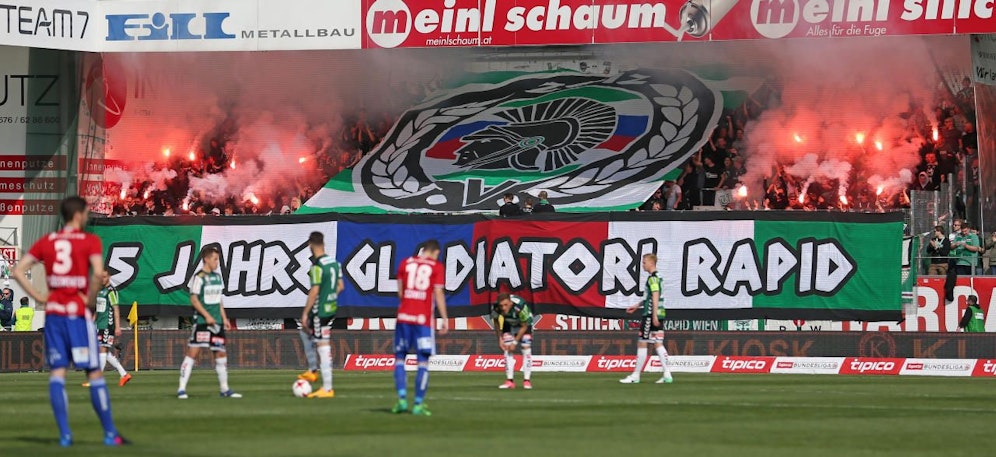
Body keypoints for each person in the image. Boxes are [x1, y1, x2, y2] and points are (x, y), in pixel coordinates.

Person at [11, 196, 128, 447]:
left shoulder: (47, 241)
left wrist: (40, 296)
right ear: (78, 215)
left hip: (54, 314)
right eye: (86, 213)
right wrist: (90, 298)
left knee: (57, 373)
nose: (87, 217)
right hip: (77, 314)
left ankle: (65, 435)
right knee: (94, 372)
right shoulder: (89, 241)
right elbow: (98, 275)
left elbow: (17, 270)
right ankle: (110, 434)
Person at [392, 240, 449, 416]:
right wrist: (444, 318)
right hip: (422, 320)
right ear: (435, 252)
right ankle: (417, 404)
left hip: (403, 317)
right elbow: (438, 292)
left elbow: (400, 292)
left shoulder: (405, 263)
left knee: (400, 359)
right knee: (423, 362)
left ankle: (401, 400)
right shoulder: (436, 267)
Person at [177, 246, 240, 399]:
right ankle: (181, 389)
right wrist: (207, 316)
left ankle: (225, 389)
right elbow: (194, 299)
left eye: (218, 259)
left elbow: (219, 300)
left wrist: (224, 318)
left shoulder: (217, 277)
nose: (217, 263)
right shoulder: (198, 277)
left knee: (220, 354)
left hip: (217, 323)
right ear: (206, 259)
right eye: (215, 259)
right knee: (192, 353)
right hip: (202, 323)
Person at [299, 232, 344, 398]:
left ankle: (327, 387)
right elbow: (340, 286)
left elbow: (314, 290)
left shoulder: (317, 266)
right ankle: (312, 370)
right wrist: (330, 296)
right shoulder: (334, 263)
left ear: (311, 245)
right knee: (304, 332)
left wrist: (305, 313)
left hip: (320, 310)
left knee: (322, 346)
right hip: (331, 308)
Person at [620, 253, 673, 384]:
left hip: (650, 315)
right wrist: (637, 305)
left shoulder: (652, 279)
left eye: (644, 262)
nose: (643, 265)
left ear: (651, 263)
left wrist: (653, 315)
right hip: (660, 313)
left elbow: (655, 295)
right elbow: (650, 297)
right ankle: (667, 374)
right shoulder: (659, 277)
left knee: (642, 342)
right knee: (658, 343)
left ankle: (636, 375)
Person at [91, 271, 132, 387]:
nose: (102, 279)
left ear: (109, 277)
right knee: (105, 352)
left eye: (104, 277)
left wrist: (117, 327)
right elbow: (98, 309)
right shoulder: (100, 291)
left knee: (102, 351)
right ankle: (124, 374)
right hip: (99, 325)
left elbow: (116, 309)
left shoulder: (111, 291)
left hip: (107, 325)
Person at [491, 294, 535, 389]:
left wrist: (515, 342)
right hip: (509, 324)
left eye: (506, 305)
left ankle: (527, 380)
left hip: (524, 324)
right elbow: (496, 322)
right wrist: (500, 338)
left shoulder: (520, 306)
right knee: (507, 349)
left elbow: (524, 326)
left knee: (526, 348)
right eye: (501, 305)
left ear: (510, 302)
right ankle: (509, 381)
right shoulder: (495, 307)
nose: (503, 308)